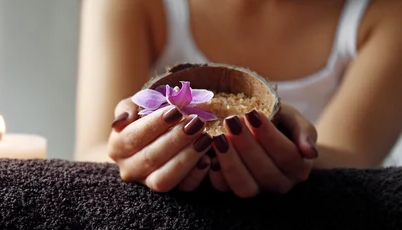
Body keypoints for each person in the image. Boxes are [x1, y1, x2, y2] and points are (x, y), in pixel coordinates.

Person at [74, 0, 402, 197]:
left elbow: (352, 160)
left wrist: (293, 149)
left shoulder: (386, 14)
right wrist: (129, 147)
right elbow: (91, 153)